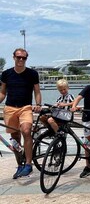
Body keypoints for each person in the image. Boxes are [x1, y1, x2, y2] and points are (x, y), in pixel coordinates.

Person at [0, 48, 42, 178]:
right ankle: (19, 165)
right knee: (15, 138)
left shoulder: (32, 74)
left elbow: (37, 91)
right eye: (19, 57)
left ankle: (28, 165)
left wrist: (38, 104)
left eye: (24, 58)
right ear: (14, 57)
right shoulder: (6, 74)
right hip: (10, 108)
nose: (21, 60)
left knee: (26, 131)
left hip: (25, 107)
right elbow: (2, 93)